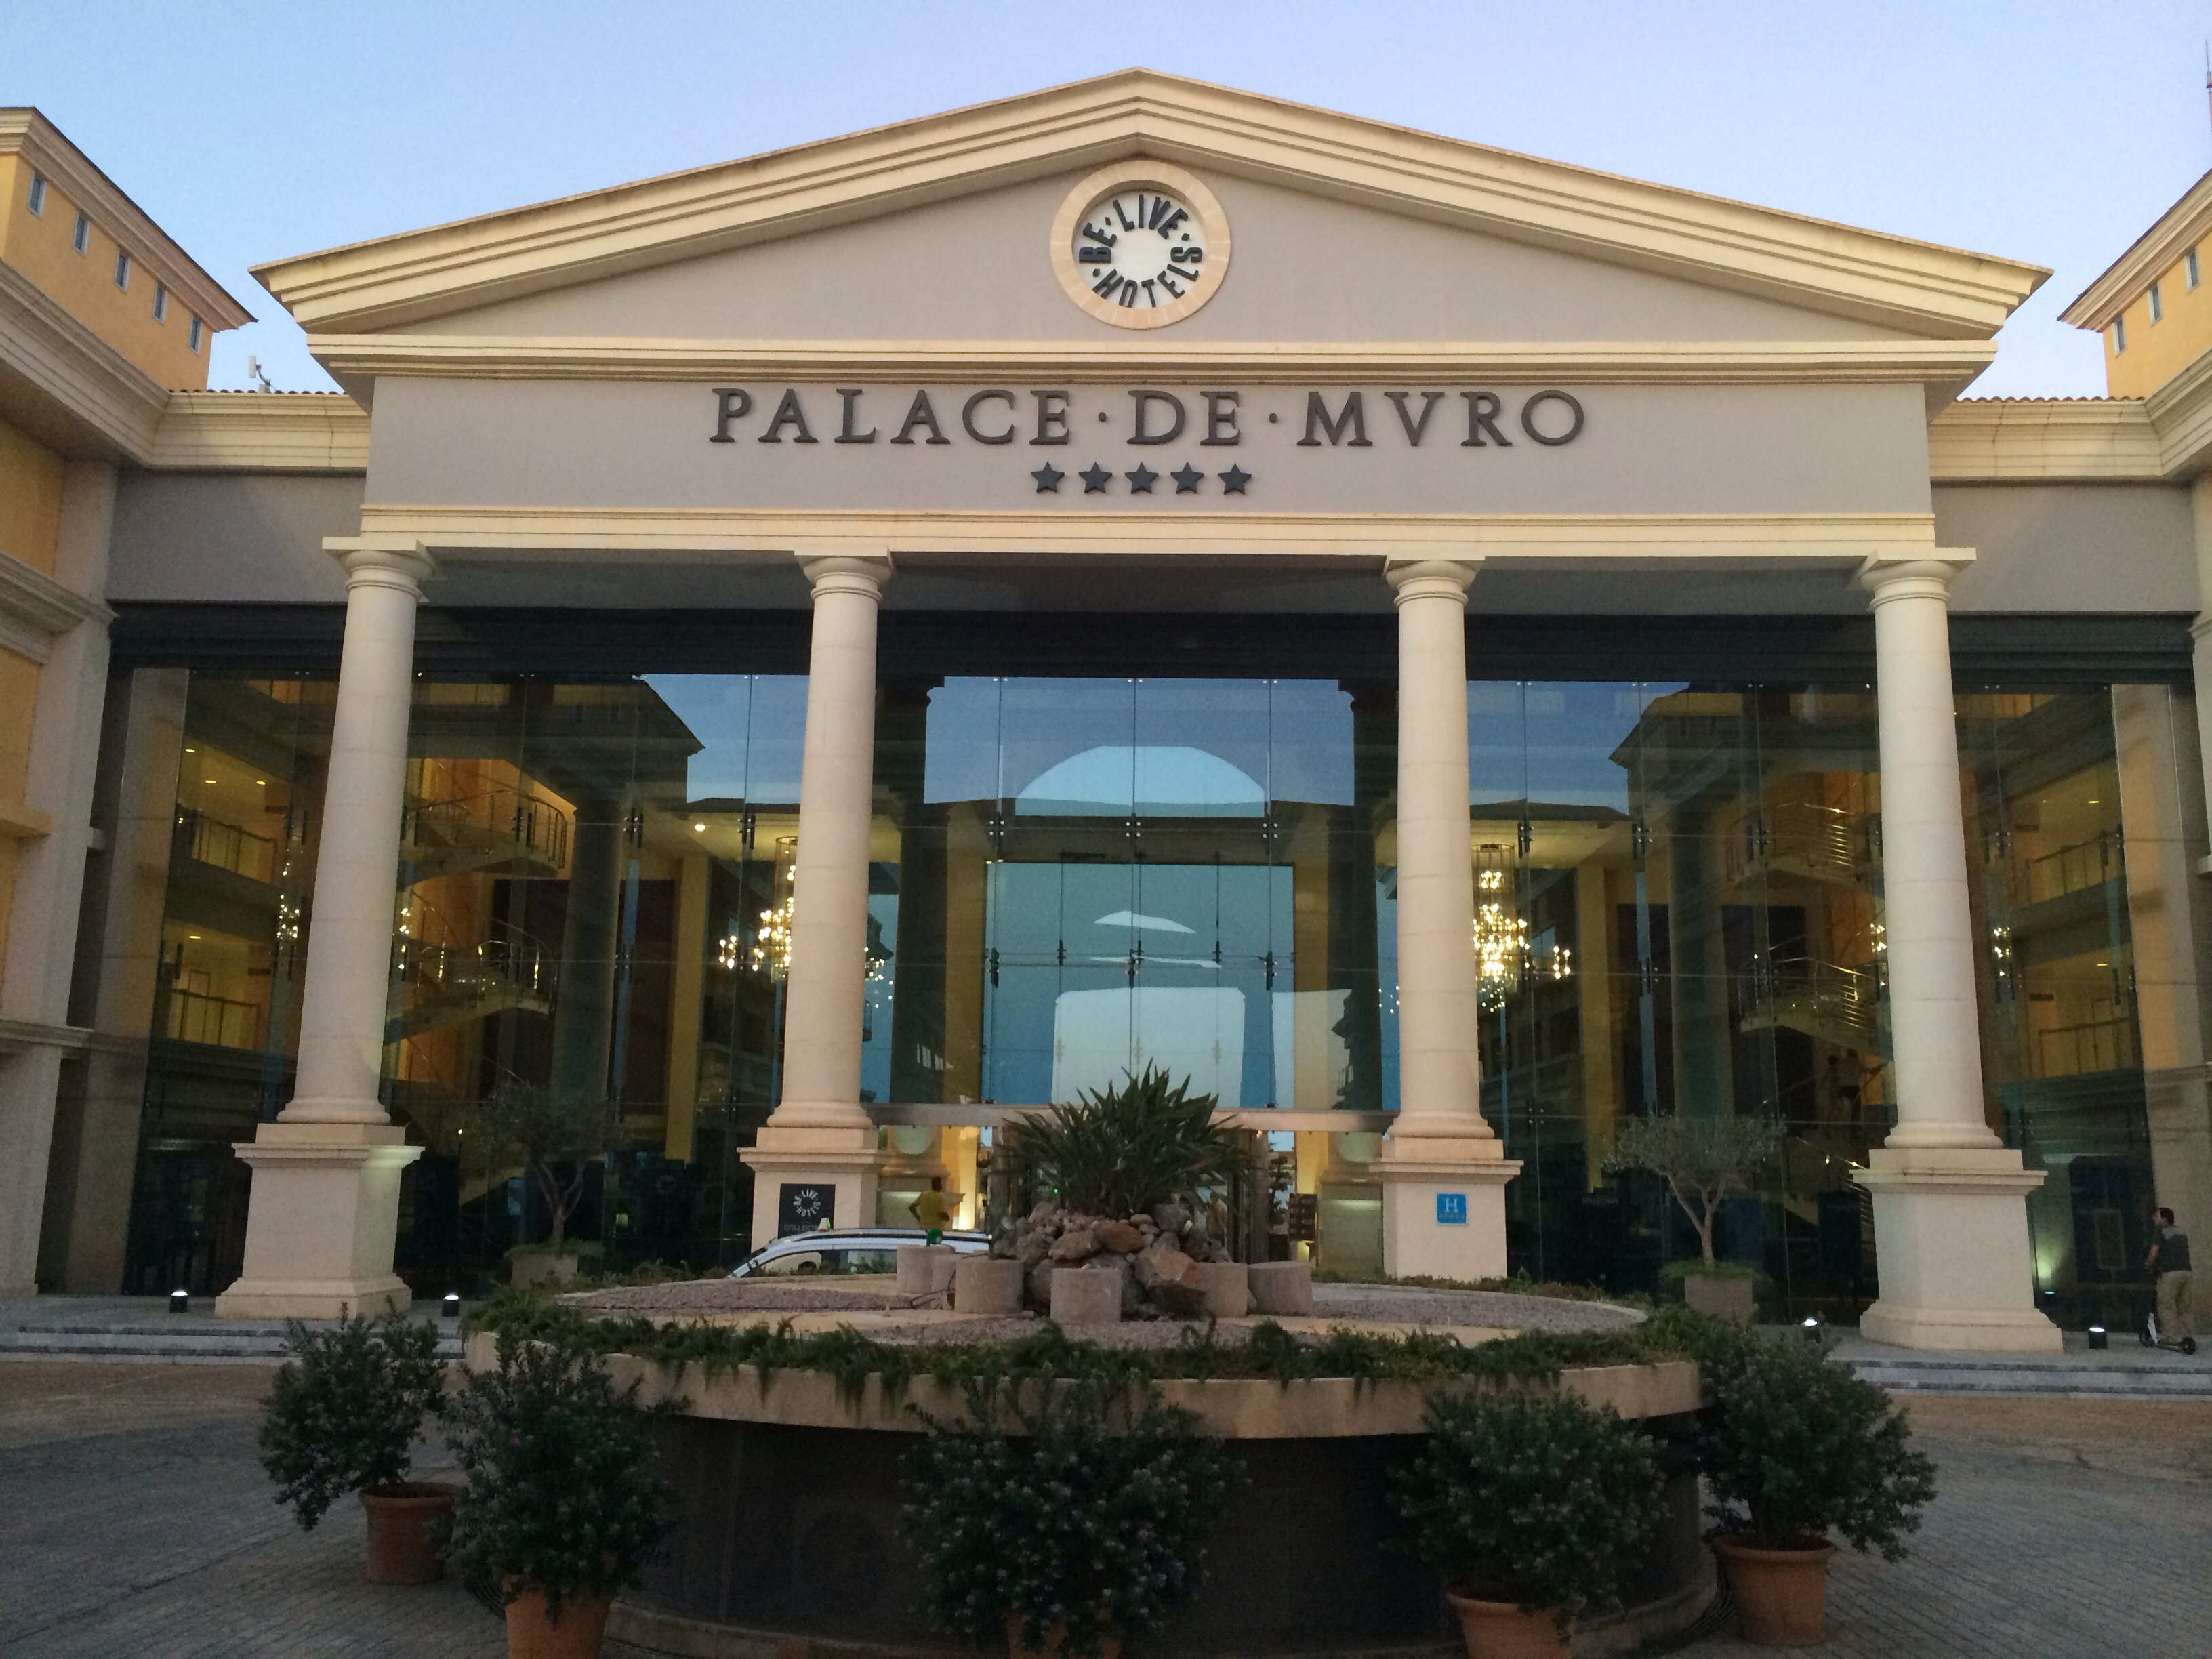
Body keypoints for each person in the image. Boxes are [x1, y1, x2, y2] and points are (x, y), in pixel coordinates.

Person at [2148, 1206, 2194, 1348]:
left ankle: (2171, 1337)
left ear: (2164, 1219)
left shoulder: (2161, 1231)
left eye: (2156, 1216)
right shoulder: (2181, 1232)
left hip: (2170, 1273)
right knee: (2184, 1306)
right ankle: (2187, 1337)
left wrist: (2148, 1264)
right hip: (2187, 1272)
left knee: (2166, 1304)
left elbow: (2154, 1251)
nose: (2153, 1219)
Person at [909, 1176, 960, 1247]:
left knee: (926, 1246)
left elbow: (911, 1207)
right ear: (940, 1185)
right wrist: (947, 1218)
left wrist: (919, 1218)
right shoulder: (941, 1197)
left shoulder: (924, 1195)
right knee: (936, 1247)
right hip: (936, 1227)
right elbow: (943, 1214)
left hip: (924, 1226)